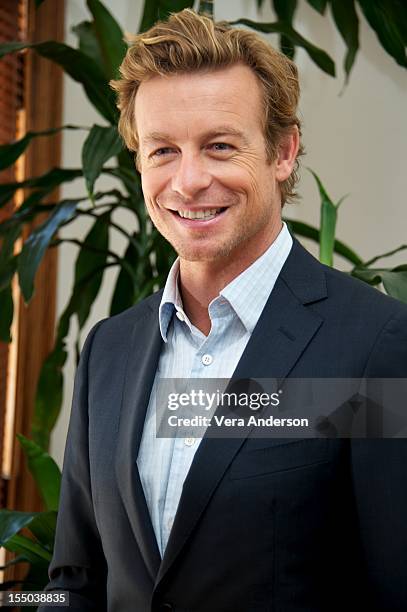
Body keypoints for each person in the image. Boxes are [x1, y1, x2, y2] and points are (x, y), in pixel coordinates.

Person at [39, 9, 407, 612]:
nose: (187, 181)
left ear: (283, 151)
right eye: (162, 150)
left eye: (219, 146)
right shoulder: (107, 349)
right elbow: (73, 585)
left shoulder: (376, 345)